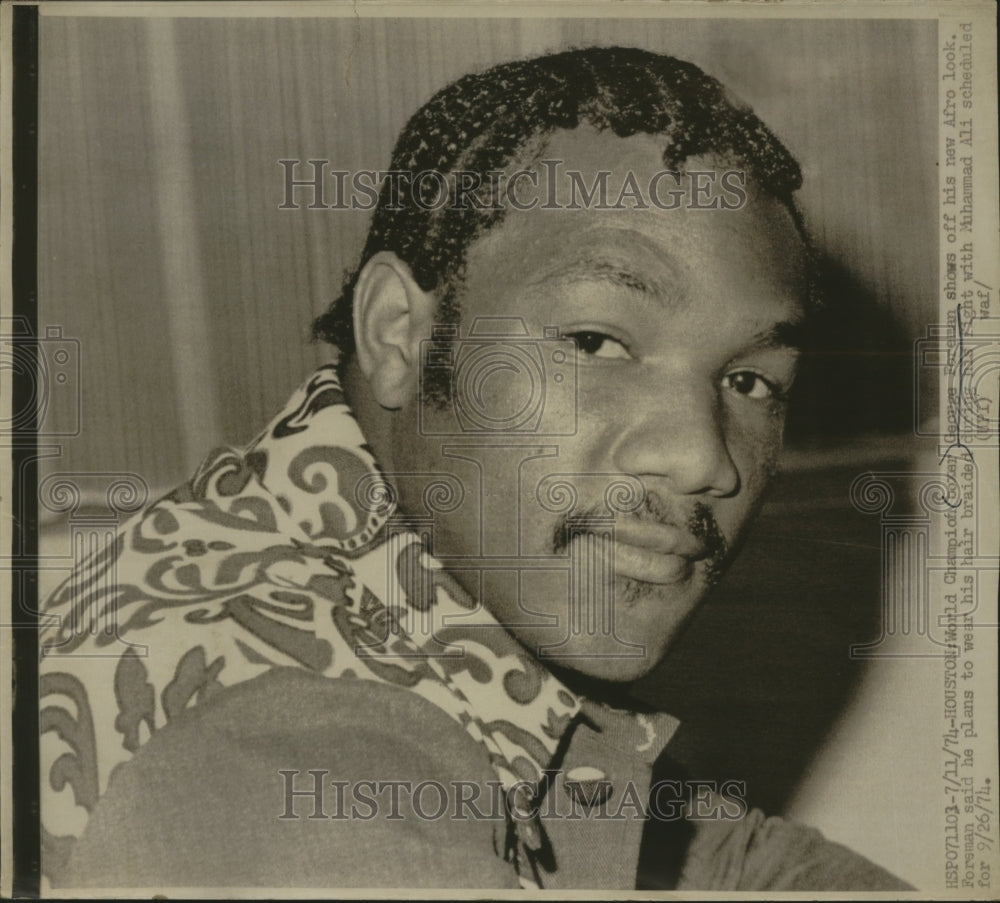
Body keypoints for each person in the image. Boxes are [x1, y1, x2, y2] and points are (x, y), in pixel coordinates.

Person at [38, 46, 911, 891]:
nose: (702, 457)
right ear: (399, 334)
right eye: (595, 341)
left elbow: (706, 850)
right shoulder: (293, 760)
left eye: (750, 380)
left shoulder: (350, 566)